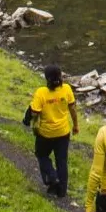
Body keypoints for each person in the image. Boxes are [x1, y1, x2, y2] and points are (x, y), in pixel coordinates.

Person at [24, 65, 78, 197]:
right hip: (63, 132)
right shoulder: (66, 89)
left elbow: (34, 111)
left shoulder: (41, 92)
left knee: (42, 155)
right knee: (62, 160)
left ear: (46, 78)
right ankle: (62, 191)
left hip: (45, 134)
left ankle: (53, 178)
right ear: (60, 76)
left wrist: (28, 122)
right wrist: (76, 125)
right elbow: (73, 109)